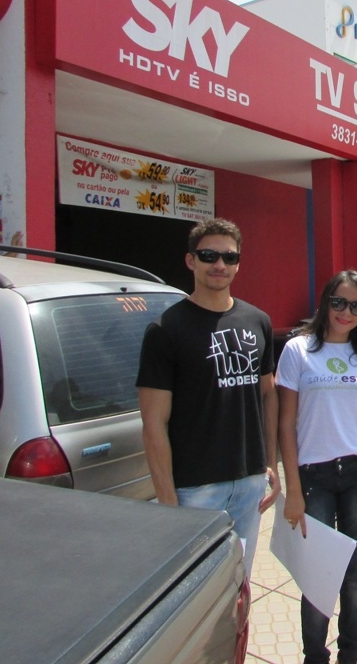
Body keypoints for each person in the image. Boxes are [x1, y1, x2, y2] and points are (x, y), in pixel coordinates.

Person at [136, 217, 280, 581]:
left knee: (238, 586)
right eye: (209, 255)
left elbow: (267, 396)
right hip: (195, 491)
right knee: (197, 593)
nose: (219, 264)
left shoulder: (258, 321)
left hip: (249, 484)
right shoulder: (166, 330)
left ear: (238, 264)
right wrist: (168, 502)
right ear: (191, 260)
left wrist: (269, 464)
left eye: (229, 257)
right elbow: (153, 423)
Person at [276, 270, 357, 664]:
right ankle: (315, 655)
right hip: (314, 478)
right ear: (325, 301)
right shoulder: (298, 350)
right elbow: (286, 424)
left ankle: (349, 653)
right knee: (317, 576)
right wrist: (292, 488)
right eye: (339, 302)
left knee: (355, 575)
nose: (346, 312)